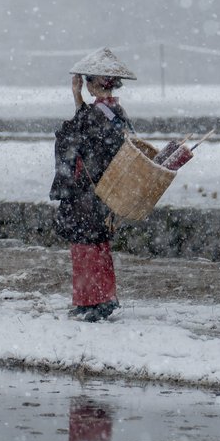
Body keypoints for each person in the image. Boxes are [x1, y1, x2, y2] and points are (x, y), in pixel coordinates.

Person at [50, 48, 137, 321]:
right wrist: (77, 96)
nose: (84, 86)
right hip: (101, 187)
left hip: (87, 189)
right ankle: (94, 299)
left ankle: (97, 301)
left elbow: (76, 134)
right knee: (94, 245)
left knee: (87, 246)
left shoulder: (100, 114)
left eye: (87, 81)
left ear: (96, 84)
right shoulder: (114, 111)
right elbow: (83, 125)